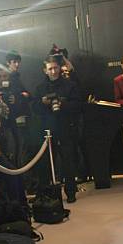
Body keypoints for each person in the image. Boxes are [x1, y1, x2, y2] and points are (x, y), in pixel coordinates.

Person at [33, 56, 82, 203]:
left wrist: (62, 104)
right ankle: (46, 194)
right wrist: (43, 103)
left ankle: (71, 192)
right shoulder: (40, 88)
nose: (53, 71)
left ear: (60, 68)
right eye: (50, 69)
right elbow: (34, 108)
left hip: (66, 129)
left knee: (69, 162)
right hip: (47, 132)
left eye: (55, 68)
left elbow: (78, 106)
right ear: (45, 71)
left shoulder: (70, 85)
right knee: (46, 164)